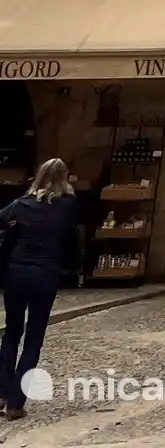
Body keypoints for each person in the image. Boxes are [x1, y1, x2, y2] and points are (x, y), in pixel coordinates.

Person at [0, 159, 83, 419]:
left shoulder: (21, 205)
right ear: (64, 178)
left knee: (12, 333)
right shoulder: (67, 206)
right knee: (33, 339)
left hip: (16, 273)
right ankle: (15, 402)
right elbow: (74, 234)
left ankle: (1, 392)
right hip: (46, 275)